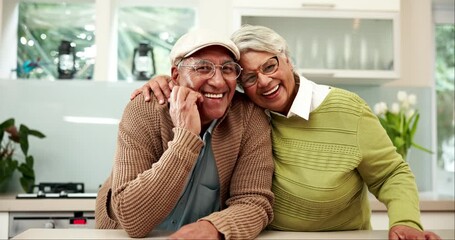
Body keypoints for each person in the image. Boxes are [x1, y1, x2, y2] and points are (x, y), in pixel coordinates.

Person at [131, 25, 441, 240]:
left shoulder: (348, 110)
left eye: (270, 66)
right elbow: (207, 83)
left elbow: (391, 174)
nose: (263, 82)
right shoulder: (248, 114)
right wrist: (168, 81)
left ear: (288, 60)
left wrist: (405, 221)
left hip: (341, 237)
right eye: (249, 77)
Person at [95, 29, 275, 240]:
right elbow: (133, 221)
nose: (218, 82)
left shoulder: (249, 117)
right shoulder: (144, 109)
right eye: (202, 68)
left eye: (227, 69)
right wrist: (186, 137)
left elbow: (253, 202)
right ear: (175, 76)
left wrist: (215, 228)